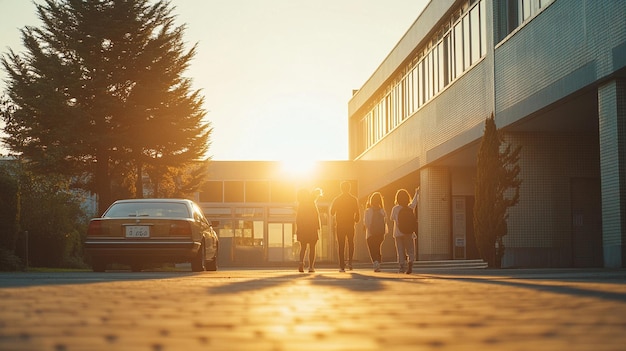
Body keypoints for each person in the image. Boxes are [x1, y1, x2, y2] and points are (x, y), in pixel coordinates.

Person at [330, 181, 360, 272]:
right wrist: (355, 220)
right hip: (350, 224)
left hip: (340, 225)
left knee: (341, 245)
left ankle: (342, 265)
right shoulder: (353, 199)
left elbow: (332, 212)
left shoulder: (337, 199)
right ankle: (350, 262)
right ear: (349, 188)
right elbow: (357, 213)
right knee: (351, 243)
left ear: (341, 188)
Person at [390, 188, 418, 274]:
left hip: (398, 233)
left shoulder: (395, 208)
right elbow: (414, 203)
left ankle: (401, 266)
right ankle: (410, 262)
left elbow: (391, 218)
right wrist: (417, 193)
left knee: (400, 250)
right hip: (408, 232)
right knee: (410, 250)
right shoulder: (409, 207)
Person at [295, 188, 321, 273]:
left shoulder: (301, 205)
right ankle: (311, 267)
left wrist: (298, 229)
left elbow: (298, 218)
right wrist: (318, 227)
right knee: (312, 247)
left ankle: (301, 263)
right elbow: (316, 215)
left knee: (303, 247)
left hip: (303, 229)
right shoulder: (312, 203)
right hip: (312, 228)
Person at [363, 192, 387, 272]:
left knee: (372, 249)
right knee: (377, 248)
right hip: (380, 234)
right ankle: (378, 262)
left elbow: (366, 223)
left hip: (370, 234)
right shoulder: (382, 211)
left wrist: (369, 229)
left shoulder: (368, 211)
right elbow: (385, 221)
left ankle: (375, 263)